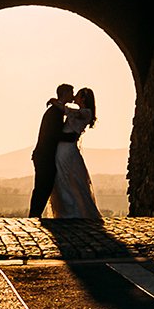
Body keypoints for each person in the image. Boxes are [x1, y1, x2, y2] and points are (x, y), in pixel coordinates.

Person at [47, 86, 102, 219]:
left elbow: (67, 110)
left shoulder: (85, 113)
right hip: (65, 148)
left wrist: (56, 102)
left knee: (70, 178)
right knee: (65, 177)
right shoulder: (80, 112)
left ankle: (72, 211)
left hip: (67, 150)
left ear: (82, 98)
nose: (74, 97)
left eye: (76, 95)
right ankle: (67, 209)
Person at [28, 83, 75, 218]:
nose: (73, 96)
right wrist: (72, 137)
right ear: (65, 93)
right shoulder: (55, 112)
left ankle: (35, 214)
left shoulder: (56, 110)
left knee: (43, 186)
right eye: (71, 93)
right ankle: (34, 214)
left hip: (44, 155)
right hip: (45, 156)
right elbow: (54, 134)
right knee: (43, 186)